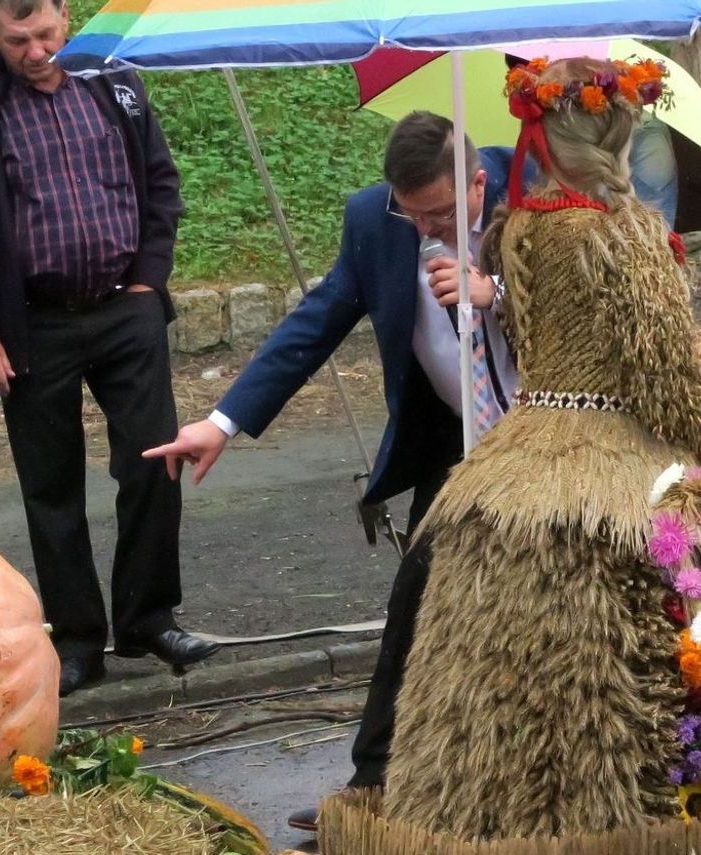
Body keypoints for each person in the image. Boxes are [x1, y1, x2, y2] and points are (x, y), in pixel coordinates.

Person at [145, 111, 522, 830]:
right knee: (416, 605)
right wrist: (221, 422)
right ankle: (374, 786)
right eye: (412, 214)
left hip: (551, 441)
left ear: (478, 182)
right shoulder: (376, 220)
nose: (425, 230)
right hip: (460, 452)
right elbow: (314, 324)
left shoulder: (536, 193)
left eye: (441, 213)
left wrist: (493, 294)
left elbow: (594, 306)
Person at [364, 57, 701, 842]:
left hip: (524, 451)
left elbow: (524, 330)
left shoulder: (517, 230)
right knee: (646, 613)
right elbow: (667, 369)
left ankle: (479, 804)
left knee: (492, 648)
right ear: (618, 135)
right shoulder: (627, 237)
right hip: (614, 460)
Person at [0, 0, 219, 697]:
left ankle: (148, 616)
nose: (35, 50)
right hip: (31, 323)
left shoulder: (114, 79)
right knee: (52, 487)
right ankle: (77, 636)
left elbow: (162, 185)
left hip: (125, 308)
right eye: (18, 39)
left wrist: (149, 280)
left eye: (48, 34)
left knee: (153, 462)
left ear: (68, 16)